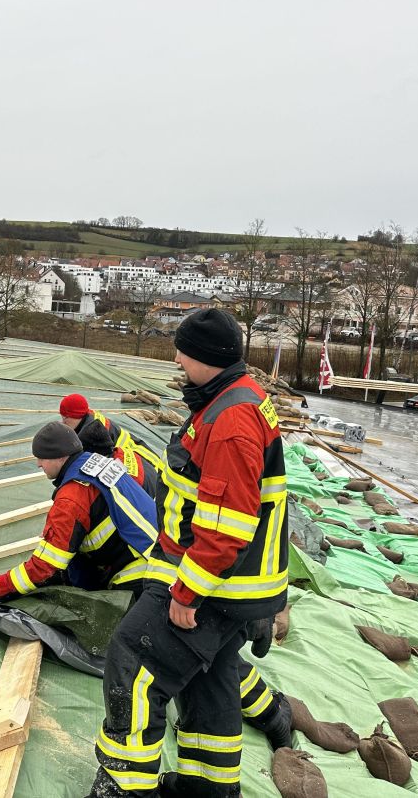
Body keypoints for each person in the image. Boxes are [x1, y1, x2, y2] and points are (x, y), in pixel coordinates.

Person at [89, 309, 290, 798]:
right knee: (211, 679)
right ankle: (209, 789)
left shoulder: (231, 420)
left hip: (214, 584)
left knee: (134, 662)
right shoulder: (232, 400)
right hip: (228, 582)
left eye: (183, 351)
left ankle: (125, 787)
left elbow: (225, 527)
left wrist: (187, 593)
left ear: (207, 357)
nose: (176, 359)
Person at [0, 422, 159, 610]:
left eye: (42, 457)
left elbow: (44, 565)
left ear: (60, 456)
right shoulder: (95, 462)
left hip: (143, 569)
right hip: (160, 550)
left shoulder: (71, 499)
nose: (38, 464)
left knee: (114, 632)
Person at [60, 393, 165, 501]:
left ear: (75, 415)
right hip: (143, 455)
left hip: (143, 464)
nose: (63, 422)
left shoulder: (90, 435)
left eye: (65, 418)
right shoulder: (90, 417)